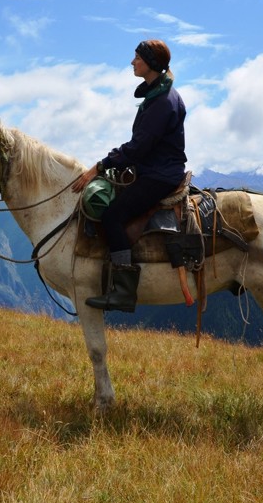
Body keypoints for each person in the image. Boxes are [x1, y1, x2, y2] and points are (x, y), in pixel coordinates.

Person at [72, 39, 187, 312]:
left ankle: (123, 292)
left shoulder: (161, 101)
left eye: (137, 58)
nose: (132, 62)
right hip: (157, 170)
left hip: (159, 176)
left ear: (152, 63)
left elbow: (139, 146)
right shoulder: (159, 95)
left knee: (112, 215)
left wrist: (100, 166)